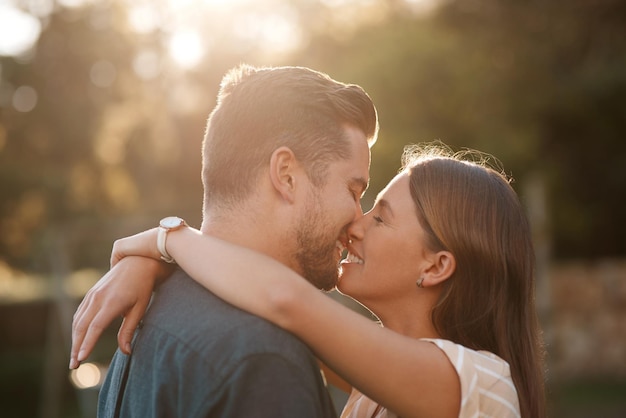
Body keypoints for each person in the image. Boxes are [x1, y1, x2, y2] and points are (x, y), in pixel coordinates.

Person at [72, 143, 546, 418]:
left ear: (436, 266)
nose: (355, 224)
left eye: (380, 218)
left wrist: (166, 240)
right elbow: (256, 291)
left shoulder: (481, 386)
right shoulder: (379, 372)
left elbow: (283, 299)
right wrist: (154, 263)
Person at [73, 64, 380, 417]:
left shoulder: (152, 313)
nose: (358, 219)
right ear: (286, 175)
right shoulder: (265, 360)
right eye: (353, 190)